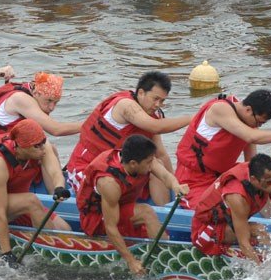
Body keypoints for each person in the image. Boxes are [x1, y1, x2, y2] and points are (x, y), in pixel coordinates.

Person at [65, 71, 192, 203]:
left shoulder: (155, 114)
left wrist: (175, 184)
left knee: (155, 163)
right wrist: (193, 118)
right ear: (141, 93)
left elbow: (161, 154)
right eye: (155, 99)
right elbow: (155, 126)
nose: (158, 105)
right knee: (110, 188)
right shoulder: (125, 105)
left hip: (120, 169)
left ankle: (165, 211)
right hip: (87, 167)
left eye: (162, 101)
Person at [76, 135, 188, 276]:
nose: (151, 164)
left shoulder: (141, 159)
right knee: (146, 212)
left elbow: (166, 176)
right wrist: (131, 261)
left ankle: (164, 251)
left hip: (122, 206)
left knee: (146, 213)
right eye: (148, 162)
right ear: (134, 163)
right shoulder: (109, 183)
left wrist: (176, 186)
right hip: (97, 219)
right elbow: (111, 227)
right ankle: (165, 260)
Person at [0, 119, 71, 265]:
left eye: (43, 143)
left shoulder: (41, 146)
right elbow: (0, 211)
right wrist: (6, 253)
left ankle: (51, 243)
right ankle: (52, 252)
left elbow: (55, 173)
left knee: (65, 228)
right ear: (20, 147)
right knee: (31, 200)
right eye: (37, 147)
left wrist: (59, 187)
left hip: (14, 201)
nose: (43, 150)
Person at [174, 90, 271, 208]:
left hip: (221, 176)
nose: (257, 127)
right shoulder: (220, 109)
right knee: (207, 213)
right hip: (193, 179)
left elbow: (252, 164)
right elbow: (251, 137)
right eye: (259, 123)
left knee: (267, 186)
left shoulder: (248, 123)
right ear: (248, 110)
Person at [0, 71, 79, 171]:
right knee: (46, 148)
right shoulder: (21, 99)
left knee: (49, 149)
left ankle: (58, 188)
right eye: (49, 101)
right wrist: (88, 125)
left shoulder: (31, 91)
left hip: (2, 149)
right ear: (36, 93)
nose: (52, 107)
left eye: (56, 103)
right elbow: (56, 130)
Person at [190, 154, 271, 263]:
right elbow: (244, 243)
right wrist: (264, 275)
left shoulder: (258, 170)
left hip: (228, 223)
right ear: (253, 179)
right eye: (270, 182)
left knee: (260, 232)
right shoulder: (236, 197)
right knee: (258, 230)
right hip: (205, 231)